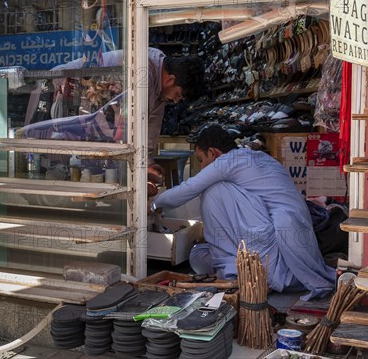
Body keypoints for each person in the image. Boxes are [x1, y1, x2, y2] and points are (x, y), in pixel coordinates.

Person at [152, 124, 336, 300]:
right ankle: (235, 266)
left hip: (274, 249)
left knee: (213, 190)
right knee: (197, 256)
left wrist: (153, 203)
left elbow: (188, 188)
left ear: (213, 153)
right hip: (287, 242)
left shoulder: (227, 161)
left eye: (201, 160)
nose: (201, 167)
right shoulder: (254, 156)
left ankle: (237, 271)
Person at [21, 48, 205, 191]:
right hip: (59, 93)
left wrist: (148, 163)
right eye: (178, 95)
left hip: (86, 115)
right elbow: (128, 127)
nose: (175, 100)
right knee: (43, 158)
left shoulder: (159, 84)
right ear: (170, 79)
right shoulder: (145, 72)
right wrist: (141, 167)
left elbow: (151, 126)